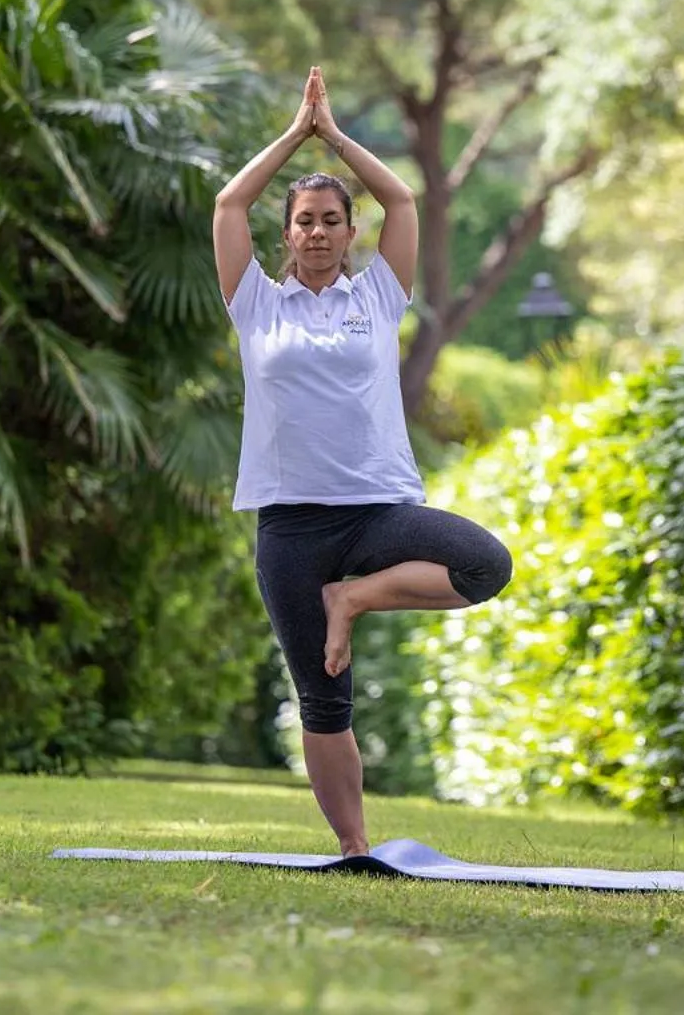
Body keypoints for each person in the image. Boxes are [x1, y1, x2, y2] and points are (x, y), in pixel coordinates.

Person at [212, 66, 514, 856]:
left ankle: (353, 597)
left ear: (351, 233)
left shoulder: (377, 296)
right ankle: (354, 847)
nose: (316, 232)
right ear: (288, 234)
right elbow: (229, 205)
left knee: (485, 564)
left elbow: (404, 201)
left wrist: (336, 137)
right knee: (324, 700)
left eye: (330, 220)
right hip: (290, 528)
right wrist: (295, 135)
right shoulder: (255, 303)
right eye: (304, 221)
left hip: (376, 512)